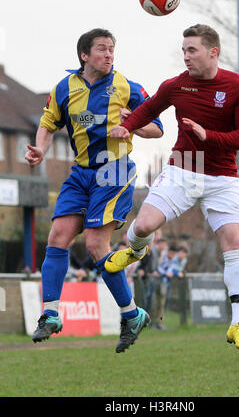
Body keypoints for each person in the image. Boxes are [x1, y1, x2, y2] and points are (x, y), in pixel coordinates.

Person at [108, 24, 239, 352]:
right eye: (184, 50)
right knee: (145, 225)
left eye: (192, 50)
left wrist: (209, 136)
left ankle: (238, 323)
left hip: (223, 179)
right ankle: (135, 250)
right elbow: (148, 110)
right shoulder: (176, 85)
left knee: (234, 243)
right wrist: (126, 126)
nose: (186, 55)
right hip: (183, 169)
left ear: (213, 52)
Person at [25, 28, 163, 353]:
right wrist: (42, 149)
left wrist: (133, 124)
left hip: (114, 170)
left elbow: (157, 128)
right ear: (84, 56)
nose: (109, 54)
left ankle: (131, 314)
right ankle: (51, 314)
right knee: (57, 236)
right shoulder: (64, 88)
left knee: (95, 244)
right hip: (81, 173)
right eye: (102, 49)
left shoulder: (126, 86)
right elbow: (48, 121)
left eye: (112, 49)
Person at [151, 245, 183, 329]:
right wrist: (165, 273)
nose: (172, 255)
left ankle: (160, 323)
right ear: (169, 252)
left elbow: (172, 271)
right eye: (172, 253)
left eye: (174, 254)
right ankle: (152, 323)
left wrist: (176, 273)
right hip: (156, 282)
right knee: (154, 303)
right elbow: (158, 269)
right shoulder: (163, 258)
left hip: (164, 284)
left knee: (162, 305)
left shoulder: (173, 261)